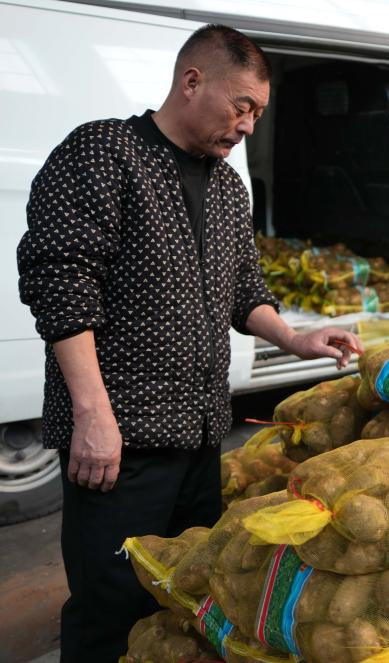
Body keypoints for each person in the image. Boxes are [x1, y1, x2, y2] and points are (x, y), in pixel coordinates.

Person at [16, 25, 361, 662]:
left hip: (200, 435)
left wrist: (293, 337)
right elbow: (59, 282)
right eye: (243, 107)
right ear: (192, 81)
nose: (249, 126)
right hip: (120, 442)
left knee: (185, 598)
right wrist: (93, 415)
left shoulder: (228, 186)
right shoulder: (104, 152)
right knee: (110, 604)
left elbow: (243, 292)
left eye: (259, 112)